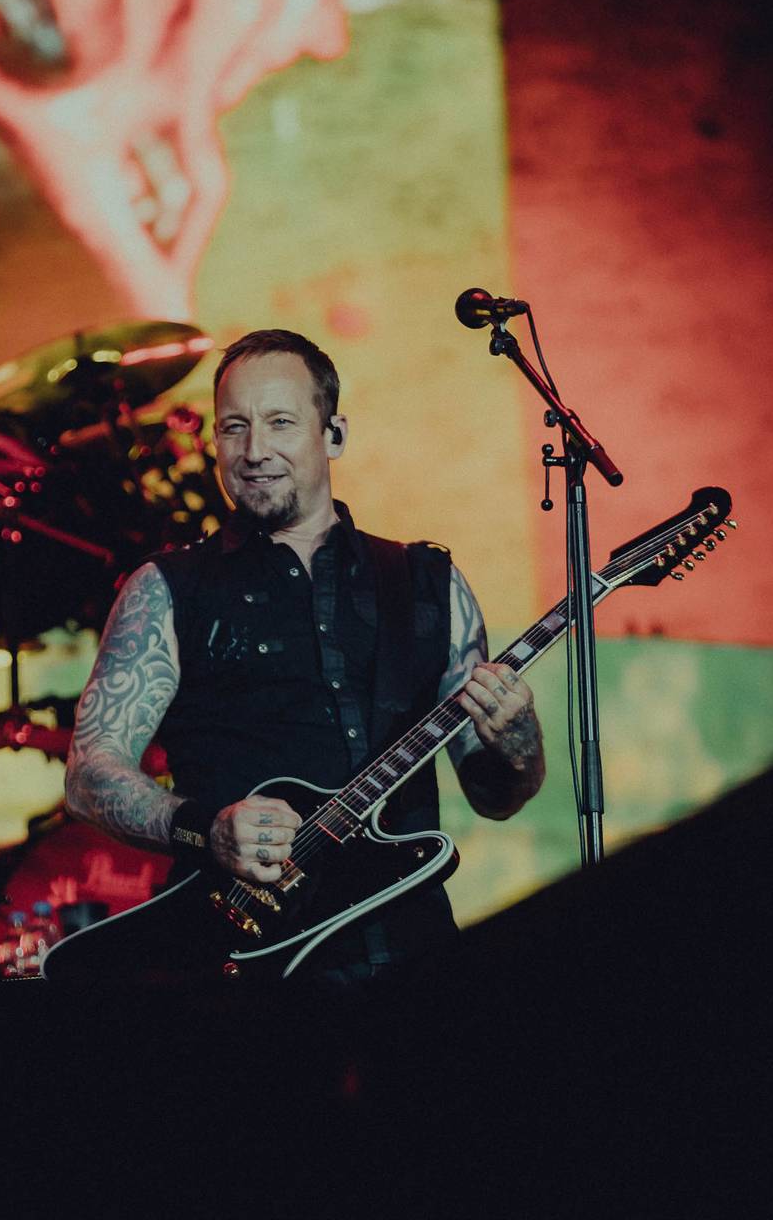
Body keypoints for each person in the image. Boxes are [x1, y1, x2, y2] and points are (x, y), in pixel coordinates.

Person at [65, 329, 545, 981]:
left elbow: (496, 796)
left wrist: (519, 742)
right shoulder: (167, 589)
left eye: (281, 423)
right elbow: (89, 774)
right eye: (234, 427)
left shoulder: (427, 583)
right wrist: (204, 828)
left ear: (334, 435)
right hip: (246, 965)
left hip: (411, 948)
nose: (254, 451)